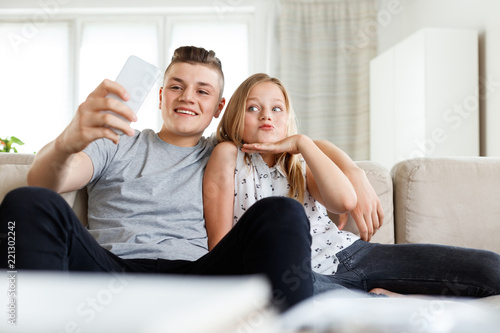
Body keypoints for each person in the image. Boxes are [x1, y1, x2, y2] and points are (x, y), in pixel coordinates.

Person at [0, 47, 314, 311]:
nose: (188, 97)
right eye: (176, 87)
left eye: (202, 91)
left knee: (283, 211)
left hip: (197, 277)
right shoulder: (116, 140)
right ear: (161, 96)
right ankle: (21, 320)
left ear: (218, 108)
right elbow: (45, 182)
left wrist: (345, 166)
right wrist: (67, 142)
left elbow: (281, 139)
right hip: (111, 271)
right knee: (25, 200)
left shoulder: (225, 154)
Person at [203, 73, 500, 298]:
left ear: (288, 119)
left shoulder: (299, 162)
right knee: (286, 292)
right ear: (235, 115)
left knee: (491, 269)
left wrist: (304, 143)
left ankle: (371, 295)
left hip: (353, 254)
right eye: (253, 108)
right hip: (300, 275)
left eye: (277, 109)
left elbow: (344, 201)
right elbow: (221, 249)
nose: (267, 115)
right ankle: (375, 299)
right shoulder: (227, 155)